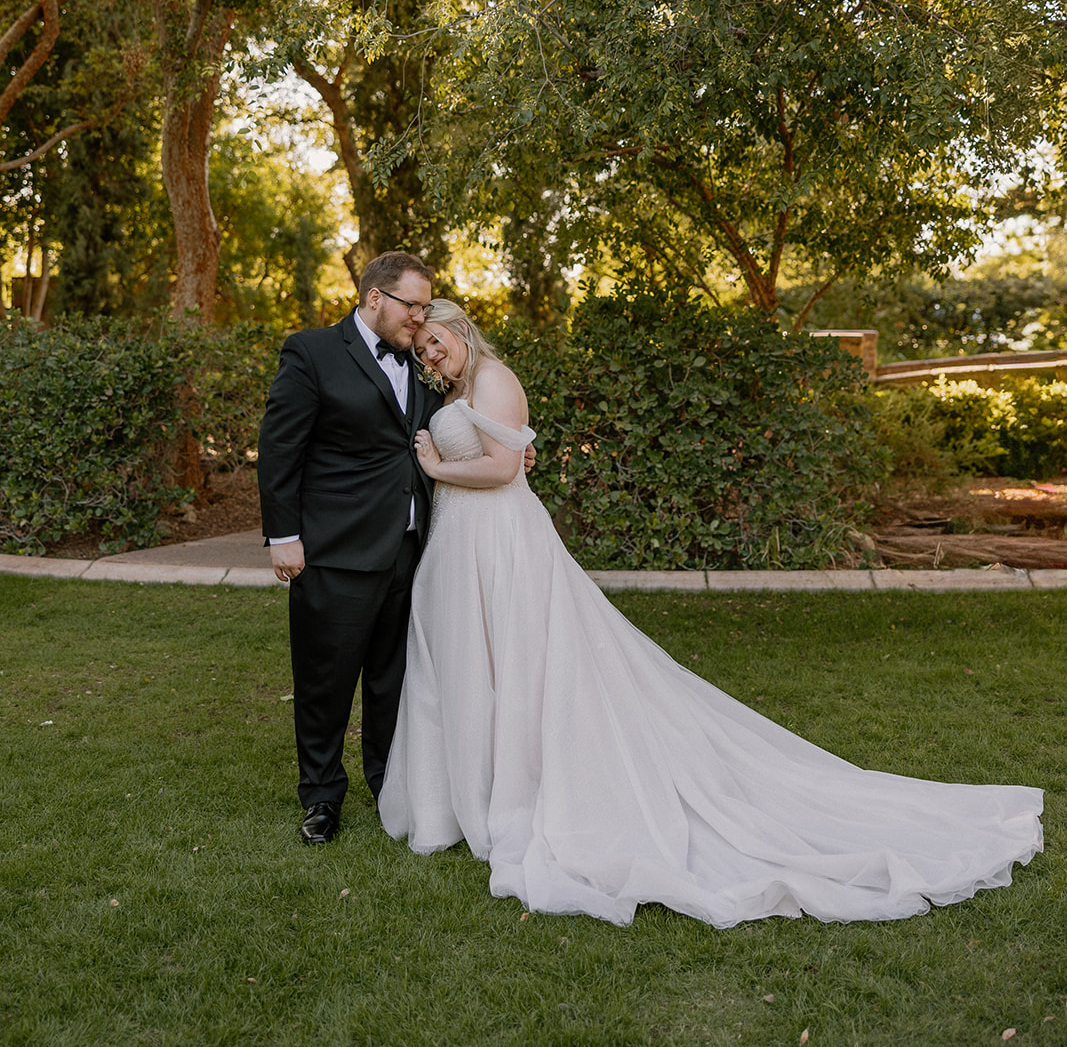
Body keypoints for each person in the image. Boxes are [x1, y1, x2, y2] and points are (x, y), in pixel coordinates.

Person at [379, 300, 1044, 928]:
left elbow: (501, 471)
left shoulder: (493, 377)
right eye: (424, 351)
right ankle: (470, 798)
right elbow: (512, 453)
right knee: (476, 666)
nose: (432, 358)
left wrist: (436, 465)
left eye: (437, 344)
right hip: (462, 543)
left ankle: (522, 793)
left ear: (462, 332)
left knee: (521, 662)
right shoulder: (459, 393)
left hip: (500, 542)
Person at [257, 251, 443, 845]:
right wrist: (283, 536)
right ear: (374, 298)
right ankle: (321, 796)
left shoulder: (424, 360)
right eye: (412, 305)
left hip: (409, 549)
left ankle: (389, 786)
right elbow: (281, 448)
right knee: (325, 681)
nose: (421, 316)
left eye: (424, 306)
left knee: (393, 678)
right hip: (334, 551)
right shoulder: (311, 352)